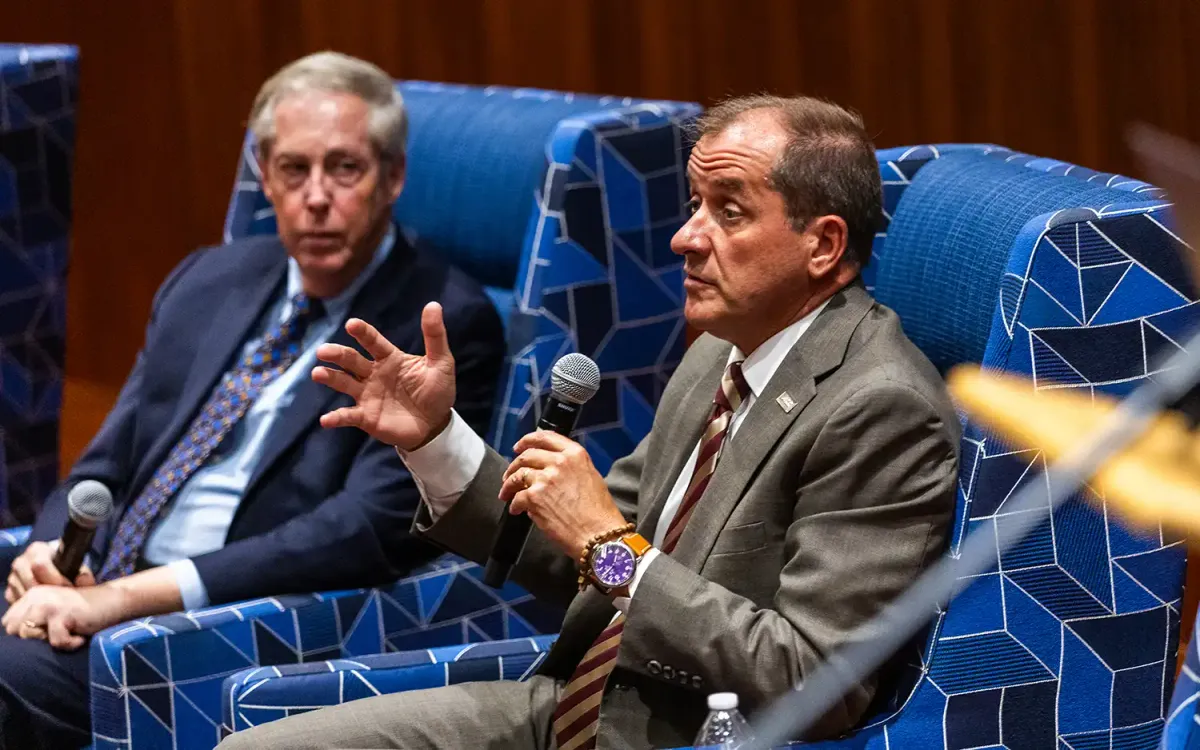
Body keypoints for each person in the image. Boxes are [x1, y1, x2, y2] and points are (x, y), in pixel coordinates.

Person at [222, 94, 960, 750]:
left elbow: (811, 679)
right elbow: (568, 554)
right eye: (693, 203)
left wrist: (609, 547)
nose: (686, 238)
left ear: (823, 245)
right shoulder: (718, 357)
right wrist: (434, 439)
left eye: (728, 211)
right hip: (570, 708)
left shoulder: (879, 407)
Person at [0, 51, 505, 749]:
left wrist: (119, 602)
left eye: (345, 169)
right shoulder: (209, 277)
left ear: (393, 179)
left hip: (231, 629)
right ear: (264, 177)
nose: (317, 196)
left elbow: (363, 530)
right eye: (295, 170)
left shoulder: (442, 325)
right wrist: (51, 552)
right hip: (96, 591)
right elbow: (105, 463)